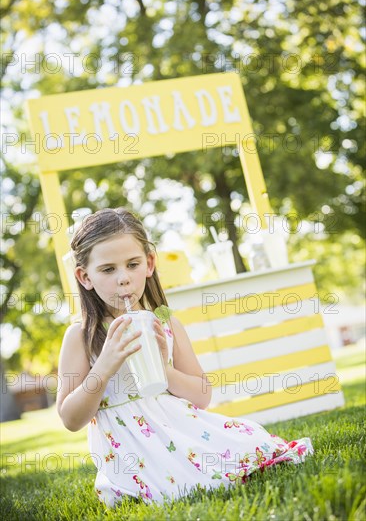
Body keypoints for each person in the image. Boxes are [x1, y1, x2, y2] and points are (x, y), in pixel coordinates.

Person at [57, 207, 314, 507]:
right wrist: (103, 366)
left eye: (132, 264)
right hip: (130, 453)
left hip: (180, 431)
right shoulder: (82, 337)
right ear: (84, 277)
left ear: (149, 264)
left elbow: (202, 396)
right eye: (108, 269)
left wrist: (166, 370)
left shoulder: (166, 326)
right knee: (178, 485)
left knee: (249, 445)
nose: (123, 279)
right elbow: (70, 418)